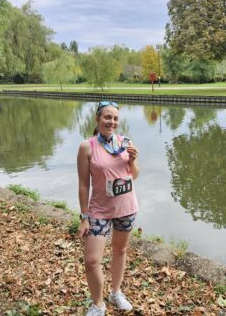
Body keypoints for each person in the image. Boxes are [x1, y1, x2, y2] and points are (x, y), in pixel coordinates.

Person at [77, 101, 140, 316]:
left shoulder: (125, 142)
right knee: (92, 259)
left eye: (115, 118)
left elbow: (134, 174)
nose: (111, 122)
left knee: (120, 250)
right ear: (97, 119)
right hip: (99, 211)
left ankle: (115, 292)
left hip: (126, 207)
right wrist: (84, 217)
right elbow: (84, 184)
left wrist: (132, 160)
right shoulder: (88, 146)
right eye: (107, 117)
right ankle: (98, 304)